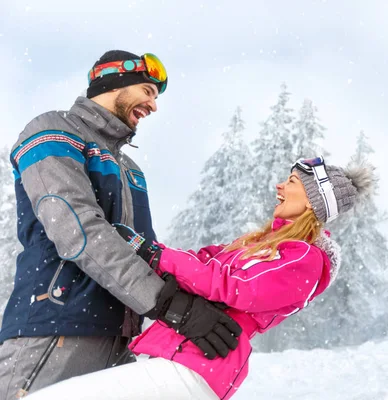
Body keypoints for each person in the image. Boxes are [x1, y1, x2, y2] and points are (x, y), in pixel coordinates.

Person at [26, 156, 376, 400]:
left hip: (199, 365)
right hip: (178, 355)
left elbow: (233, 288)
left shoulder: (304, 259)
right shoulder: (260, 244)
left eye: (293, 182)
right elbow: (203, 261)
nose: (280, 186)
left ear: (315, 202)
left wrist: (158, 256)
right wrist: (145, 248)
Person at [0, 50, 240, 400]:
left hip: (120, 339)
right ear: (115, 83)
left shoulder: (130, 170)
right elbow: (79, 231)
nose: (153, 106)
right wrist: (166, 305)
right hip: (58, 330)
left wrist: (196, 298)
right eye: (147, 91)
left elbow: (147, 250)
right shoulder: (53, 131)